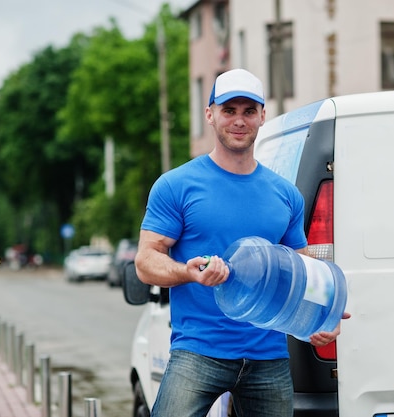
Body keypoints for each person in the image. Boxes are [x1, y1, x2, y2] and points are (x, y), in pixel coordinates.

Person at [135, 68, 348, 417]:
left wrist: (324, 314)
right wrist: (188, 273)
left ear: (263, 116)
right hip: (198, 352)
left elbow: (303, 269)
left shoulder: (285, 195)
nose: (239, 120)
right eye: (229, 110)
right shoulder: (176, 185)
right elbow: (146, 261)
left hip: (268, 355)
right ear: (210, 114)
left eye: (249, 111)